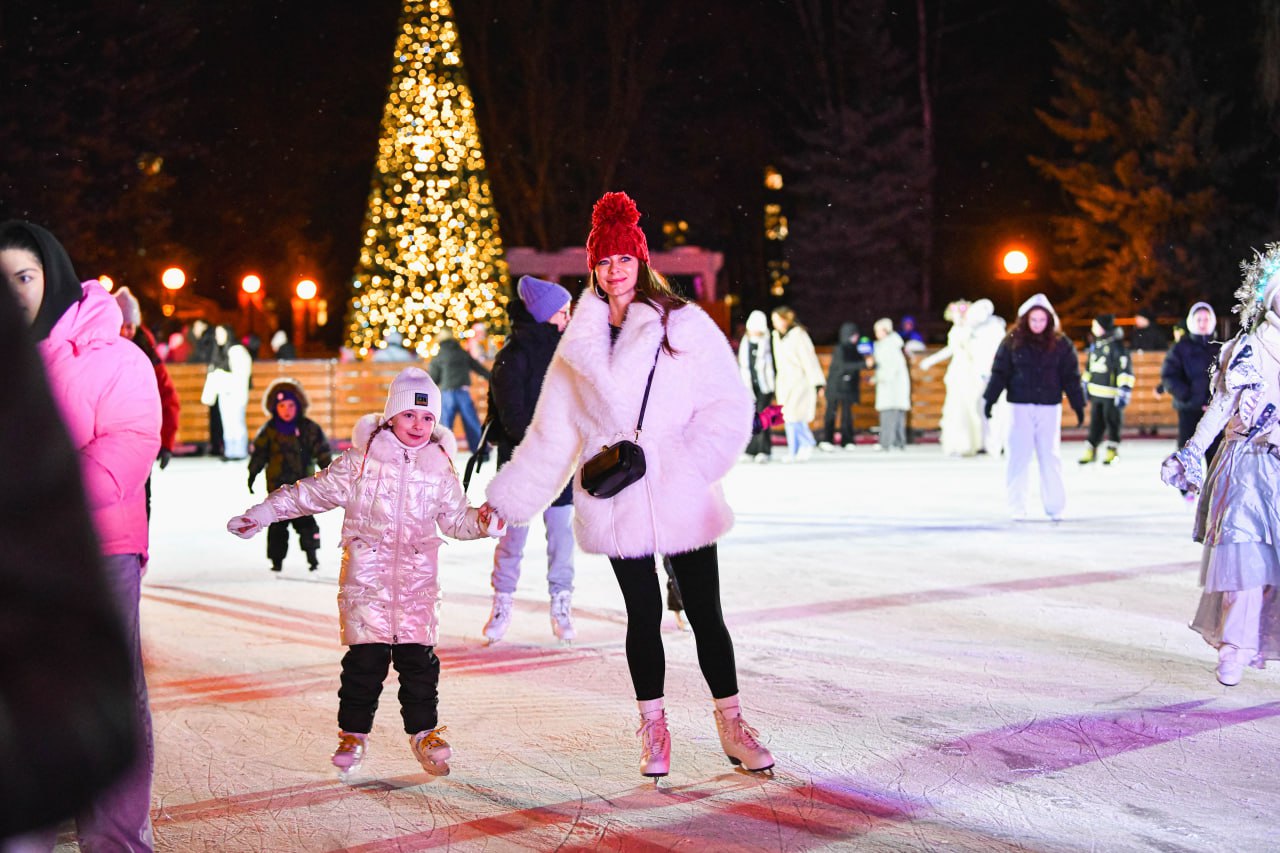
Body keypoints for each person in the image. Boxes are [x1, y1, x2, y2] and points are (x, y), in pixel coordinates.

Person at [482, 191, 774, 778]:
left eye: (624, 259)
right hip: (615, 496)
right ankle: (654, 728)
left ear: (641, 262)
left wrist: (691, 463)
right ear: (592, 268)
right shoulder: (578, 345)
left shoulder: (680, 323)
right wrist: (506, 501)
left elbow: (725, 402)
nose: (615, 272)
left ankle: (733, 723)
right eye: (605, 261)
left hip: (680, 488)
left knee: (706, 613)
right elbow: (550, 435)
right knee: (642, 615)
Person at [228, 367, 506, 778]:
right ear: (391, 414)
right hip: (367, 583)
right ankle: (353, 735)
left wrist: (483, 522)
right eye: (410, 414)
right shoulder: (361, 464)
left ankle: (424, 734)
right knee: (364, 665)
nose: (419, 425)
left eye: (428, 418)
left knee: (420, 666)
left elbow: (454, 521)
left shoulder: (439, 468)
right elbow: (311, 492)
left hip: (416, 586)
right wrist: (263, 513)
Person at [1, 220, 161, 849]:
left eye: (24, 276)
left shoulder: (113, 355)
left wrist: (45, 502)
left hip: (98, 547)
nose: (11, 290)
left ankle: (115, 836)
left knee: (107, 688)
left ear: (53, 277)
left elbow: (129, 442)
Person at [1161, 250, 1280, 686]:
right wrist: (1191, 451)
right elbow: (1220, 409)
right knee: (1243, 559)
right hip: (1245, 469)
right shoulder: (1246, 348)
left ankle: (1258, 638)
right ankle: (1234, 643)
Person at [481, 276, 577, 644]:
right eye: (562, 313)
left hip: (561, 465)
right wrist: (544, 443)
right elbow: (512, 415)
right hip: (521, 465)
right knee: (511, 541)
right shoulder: (513, 355)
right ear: (541, 314)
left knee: (561, 537)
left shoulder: (566, 352)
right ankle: (502, 603)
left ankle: (561, 602)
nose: (568, 319)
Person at [982, 294, 1085, 521]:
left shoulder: (1061, 344)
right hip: (1019, 406)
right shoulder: (1011, 341)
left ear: (1049, 320)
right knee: (1018, 456)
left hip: (1049, 407)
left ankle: (1055, 506)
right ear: (1025, 320)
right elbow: (1000, 373)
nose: (1038, 324)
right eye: (1034, 320)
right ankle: (1017, 505)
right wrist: (989, 399)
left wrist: (1078, 405)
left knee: (1050, 456)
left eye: (1042, 320)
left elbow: (1071, 377)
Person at [247, 378, 334, 573]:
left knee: (307, 524)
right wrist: (252, 473)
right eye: (282, 405)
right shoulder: (270, 431)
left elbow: (322, 451)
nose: (287, 410)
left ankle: (312, 557)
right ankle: (276, 561)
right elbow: (260, 453)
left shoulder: (308, 428)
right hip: (277, 489)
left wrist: (330, 474)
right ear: (274, 407)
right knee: (277, 527)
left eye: (291, 405)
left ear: (299, 405)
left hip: (303, 488)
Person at [115, 287, 180, 515]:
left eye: (130, 326)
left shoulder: (148, 354)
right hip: (112, 440)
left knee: (142, 498)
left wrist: (166, 442)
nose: (125, 332)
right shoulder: (103, 350)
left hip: (141, 439)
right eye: (120, 326)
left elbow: (168, 398)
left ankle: (140, 548)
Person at [1160, 302, 1222, 483]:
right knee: (1187, 448)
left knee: (1215, 452)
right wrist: (1187, 395)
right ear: (1191, 321)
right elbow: (1169, 375)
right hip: (1189, 410)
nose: (1202, 323)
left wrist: (1215, 400)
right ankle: (1186, 486)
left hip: (1214, 411)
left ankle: (1214, 487)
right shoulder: (1180, 348)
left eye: (1206, 319)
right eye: (1199, 319)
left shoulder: (1220, 347)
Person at [920, 300, 984, 456]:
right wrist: (930, 360)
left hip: (967, 370)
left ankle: (970, 443)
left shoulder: (970, 331)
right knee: (955, 406)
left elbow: (975, 350)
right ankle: (956, 443)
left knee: (967, 406)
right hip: (956, 370)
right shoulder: (956, 330)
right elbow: (950, 350)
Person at [770, 305, 825, 462]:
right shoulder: (776, 336)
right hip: (784, 382)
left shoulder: (798, 335)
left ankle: (806, 443)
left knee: (794, 415)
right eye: (773, 321)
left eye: (778, 320)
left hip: (800, 381)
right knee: (788, 416)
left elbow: (809, 359)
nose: (775, 324)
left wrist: (817, 383)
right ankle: (795, 449)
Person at [1079, 313, 1134, 465]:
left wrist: (1123, 389)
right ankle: (1091, 447)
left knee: (1112, 422)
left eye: (1095, 325)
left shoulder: (1117, 347)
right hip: (1096, 393)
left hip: (1111, 394)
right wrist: (1084, 384)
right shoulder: (1095, 345)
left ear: (1103, 327)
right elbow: (1089, 368)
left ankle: (1112, 449)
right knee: (1095, 422)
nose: (1092, 328)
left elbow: (1124, 369)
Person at [429, 329, 491, 455]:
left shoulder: (439, 356)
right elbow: (478, 367)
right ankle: (480, 451)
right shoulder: (462, 353)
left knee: (445, 426)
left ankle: (443, 453)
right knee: (471, 422)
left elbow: (434, 378)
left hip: (447, 393)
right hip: (463, 392)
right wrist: (491, 377)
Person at [201, 324, 253, 460]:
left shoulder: (236, 351)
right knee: (228, 423)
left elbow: (241, 375)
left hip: (235, 393)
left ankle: (239, 450)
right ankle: (231, 451)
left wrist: (221, 376)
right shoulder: (221, 351)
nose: (217, 337)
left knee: (236, 421)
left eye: (221, 333)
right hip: (225, 393)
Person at [737, 309, 777, 462]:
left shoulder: (768, 342)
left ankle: (764, 450)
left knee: (762, 417)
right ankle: (751, 449)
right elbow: (743, 365)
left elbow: (773, 364)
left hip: (765, 386)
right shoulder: (745, 342)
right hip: (749, 386)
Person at [817, 321, 861, 450]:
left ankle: (847, 440)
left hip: (847, 388)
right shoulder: (840, 349)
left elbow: (858, 363)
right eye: (853, 335)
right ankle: (827, 439)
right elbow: (843, 366)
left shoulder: (854, 349)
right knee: (831, 413)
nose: (855, 338)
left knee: (847, 415)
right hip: (835, 386)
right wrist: (863, 365)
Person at [869, 317, 911, 450]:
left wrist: (876, 378)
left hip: (890, 386)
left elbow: (889, 368)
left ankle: (886, 442)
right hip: (897, 385)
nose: (876, 334)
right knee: (897, 414)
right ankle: (899, 442)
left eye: (878, 331)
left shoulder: (887, 346)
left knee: (888, 415)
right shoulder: (893, 345)